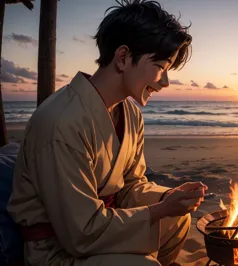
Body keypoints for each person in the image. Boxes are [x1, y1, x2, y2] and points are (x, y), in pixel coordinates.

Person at [7, 1, 207, 265]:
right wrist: (158, 209)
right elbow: (80, 233)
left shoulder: (130, 114)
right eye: (160, 67)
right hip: (56, 249)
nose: (166, 82)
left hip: (101, 225)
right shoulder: (61, 122)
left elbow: (130, 186)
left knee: (177, 219)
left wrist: (166, 198)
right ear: (123, 58)